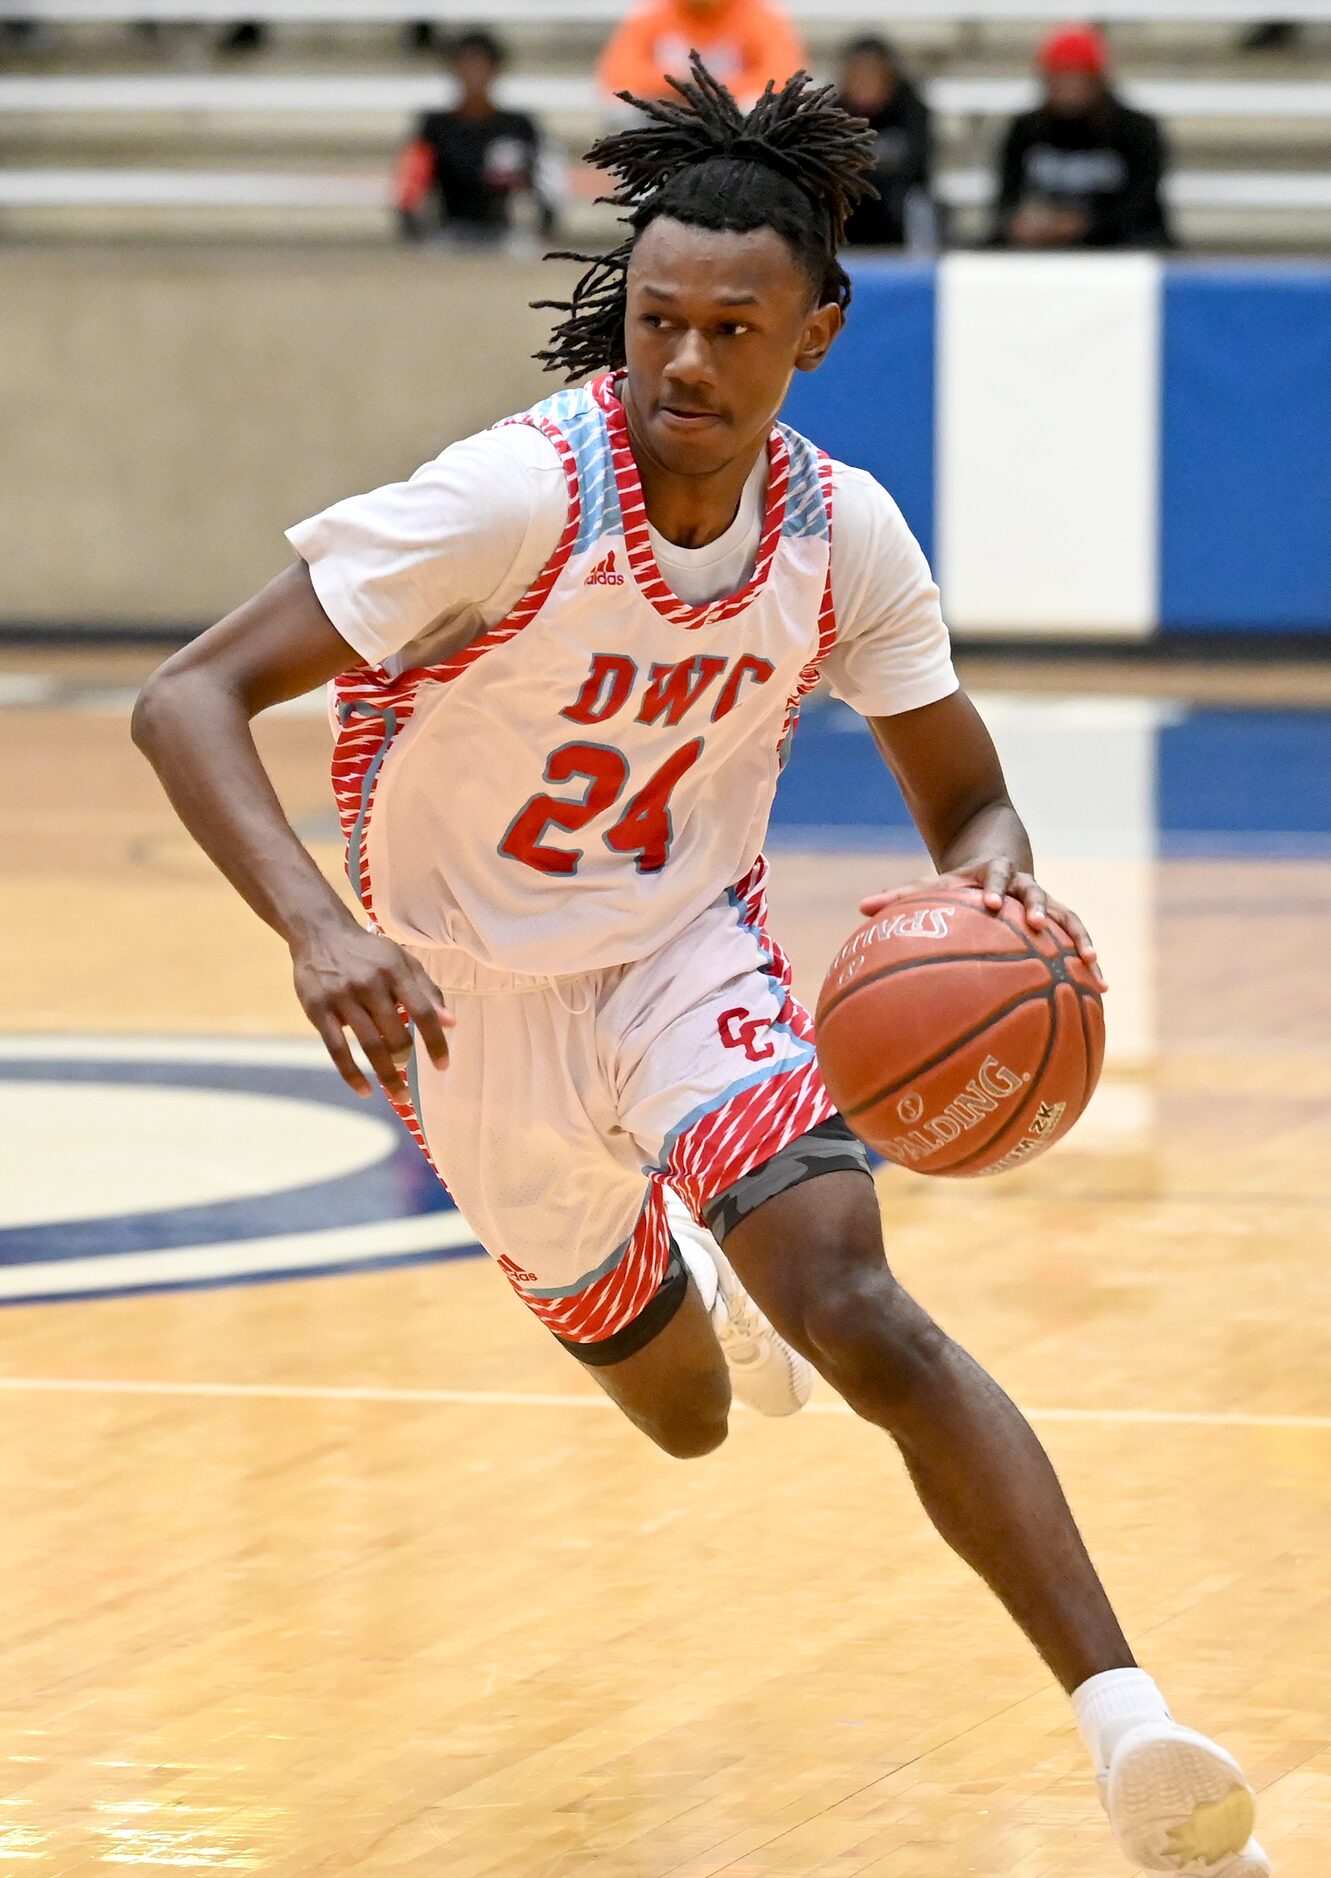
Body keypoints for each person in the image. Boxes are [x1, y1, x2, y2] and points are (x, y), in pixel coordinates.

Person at [133, 55, 1267, 1878]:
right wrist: (318, 922)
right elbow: (184, 693)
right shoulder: (509, 498)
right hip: (460, 1002)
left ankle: (1129, 1725)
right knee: (686, 1418)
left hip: (680, 954)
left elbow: (970, 800)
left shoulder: (844, 536)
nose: (681, 362)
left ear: (811, 333)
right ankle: (691, 1262)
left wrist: (1002, 900)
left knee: (861, 1299)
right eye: (657, 319)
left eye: (731, 329)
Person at [992, 24, 1172, 251]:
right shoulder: (1026, 129)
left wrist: (1084, 226)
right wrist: (1019, 225)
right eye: (1060, 77)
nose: (1069, 87)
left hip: (1119, 247)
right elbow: (1006, 199)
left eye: (1078, 76)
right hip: (1042, 250)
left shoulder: (1136, 130)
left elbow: (1141, 203)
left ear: (1098, 80)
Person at [395, 29, 558, 246]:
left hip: (508, 235)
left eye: (481, 65)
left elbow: (547, 184)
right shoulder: (435, 126)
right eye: (466, 64)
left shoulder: (519, 125)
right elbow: (411, 184)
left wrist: (542, 229)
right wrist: (414, 233)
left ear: (495, 69)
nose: (474, 73)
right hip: (449, 233)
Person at [597, 0, 805, 109]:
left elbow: (783, 77)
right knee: (623, 107)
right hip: (666, 114)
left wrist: (714, 90)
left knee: (757, 105)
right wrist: (677, 85)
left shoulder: (760, 13)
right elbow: (617, 74)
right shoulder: (652, 11)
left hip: (735, 118)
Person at [835, 35, 935, 249]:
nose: (864, 82)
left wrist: (866, 170)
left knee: (918, 203)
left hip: (896, 213)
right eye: (858, 74)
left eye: (871, 73)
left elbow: (919, 170)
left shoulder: (912, 112)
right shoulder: (832, 115)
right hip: (848, 213)